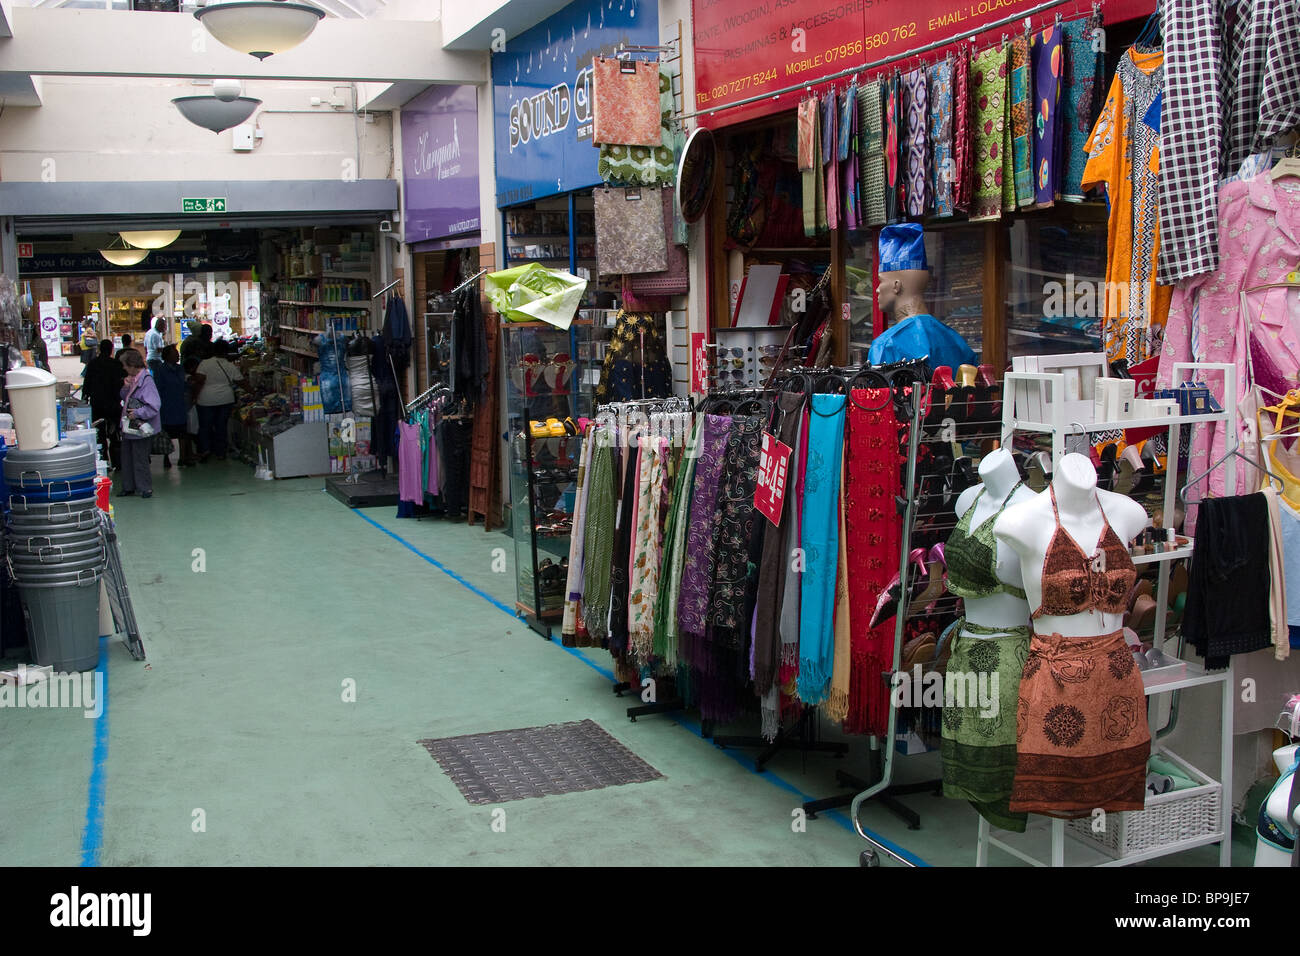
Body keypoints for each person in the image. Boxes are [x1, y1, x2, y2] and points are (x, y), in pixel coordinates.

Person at [117, 350, 161, 498]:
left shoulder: (146, 381)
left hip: (139, 427)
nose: (123, 368)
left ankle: (144, 487)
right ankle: (129, 486)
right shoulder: (134, 379)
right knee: (127, 457)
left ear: (132, 365)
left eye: (125, 365)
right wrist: (125, 387)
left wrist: (137, 413)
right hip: (130, 427)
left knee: (140, 458)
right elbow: (124, 396)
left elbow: (154, 405)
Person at [193, 339, 243, 461]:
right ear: (226, 352)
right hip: (225, 399)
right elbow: (241, 381)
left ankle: (205, 450)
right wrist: (254, 392)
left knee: (205, 426)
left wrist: (194, 396)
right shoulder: (229, 365)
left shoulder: (204, 364)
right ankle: (221, 452)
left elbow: (199, 380)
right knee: (221, 426)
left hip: (206, 400)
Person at [82, 339, 125, 470]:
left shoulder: (93, 364)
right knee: (115, 434)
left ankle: (104, 461)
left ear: (100, 349)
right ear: (111, 349)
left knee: (99, 434)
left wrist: (85, 398)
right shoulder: (116, 364)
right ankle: (117, 463)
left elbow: (87, 383)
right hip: (113, 403)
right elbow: (122, 382)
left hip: (97, 403)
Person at [155, 345, 192, 468]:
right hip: (166, 405)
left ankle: (183, 457)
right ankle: (166, 457)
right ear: (167, 356)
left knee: (182, 431)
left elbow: (184, 384)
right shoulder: (160, 370)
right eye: (175, 353)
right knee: (166, 433)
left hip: (180, 404)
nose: (177, 355)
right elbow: (158, 388)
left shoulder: (180, 368)